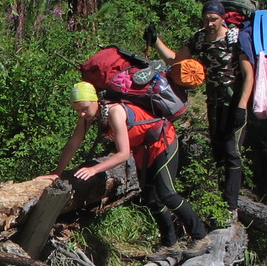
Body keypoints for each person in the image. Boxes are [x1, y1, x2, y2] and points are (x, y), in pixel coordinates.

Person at [51, 80, 208, 247]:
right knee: (151, 198)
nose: (82, 114)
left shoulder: (115, 112)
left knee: (166, 194)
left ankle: (201, 237)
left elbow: (123, 154)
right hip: (143, 150)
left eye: (84, 108)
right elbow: (73, 143)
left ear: (94, 100)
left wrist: (94, 169)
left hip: (163, 141)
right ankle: (170, 244)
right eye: (78, 111)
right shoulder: (89, 117)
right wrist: (58, 172)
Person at [149, 0, 254, 212]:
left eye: (213, 19)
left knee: (232, 150)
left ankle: (231, 203)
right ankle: (220, 199)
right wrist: (155, 41)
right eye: (206, 19)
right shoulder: (199, 39)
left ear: (222, 18)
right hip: (214, 102)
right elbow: (176, 60)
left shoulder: (234, 38)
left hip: (235, 101)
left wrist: (242, 106)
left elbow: (248, 73)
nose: (209, 23)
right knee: (217, 148)